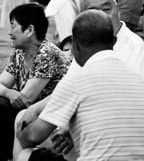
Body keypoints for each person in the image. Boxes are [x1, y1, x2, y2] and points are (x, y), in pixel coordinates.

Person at [16, 10, 144, 160]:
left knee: (25, 155)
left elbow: (32, 136)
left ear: (75, 47)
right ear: (114, 42)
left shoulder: (77, 81)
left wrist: (21, 132)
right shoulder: (138, 76)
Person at [0, 3, 70, 161]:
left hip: (48, 117)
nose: (10, 32)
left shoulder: (47, 53)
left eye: (13, 26)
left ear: (29, 30)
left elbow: (26, 99)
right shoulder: (19, 52)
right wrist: (10, 92)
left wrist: (9, 93)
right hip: (28, 112)